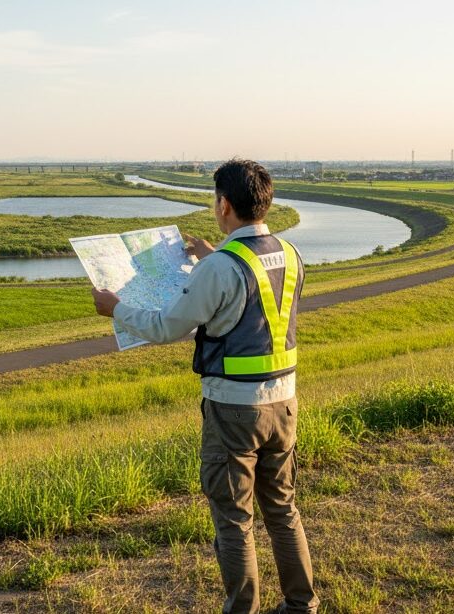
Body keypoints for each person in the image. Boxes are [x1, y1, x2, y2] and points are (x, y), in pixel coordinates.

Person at [91, 159, 319, 614]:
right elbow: (254, 304)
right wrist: (214, 255)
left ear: (224, 204)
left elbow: (165, 327)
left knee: (234, 520)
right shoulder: (289, 254)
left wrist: (115, 308)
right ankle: (301, 604)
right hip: (285, 403)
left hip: (234, 410)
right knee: (282, 509)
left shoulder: (219, 269)